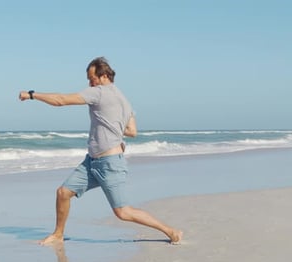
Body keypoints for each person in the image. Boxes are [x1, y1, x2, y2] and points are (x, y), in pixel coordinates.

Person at [18, 57, 182, 245]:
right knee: (63, 193)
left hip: (110, 164)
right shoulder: (125, 102)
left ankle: (171, 231)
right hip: (92, 162)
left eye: (92, 79)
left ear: (104, 76)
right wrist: (111, 126)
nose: (89, 83)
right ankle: (58, 234)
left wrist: (32, 95)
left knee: (123, 211)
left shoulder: (100, 93)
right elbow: (132, 132)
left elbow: (61, 100)